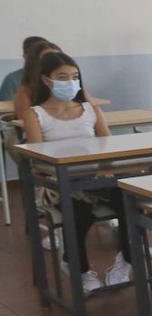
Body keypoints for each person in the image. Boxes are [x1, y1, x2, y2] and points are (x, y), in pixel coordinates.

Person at [20, 52, 132, 292]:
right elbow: (37, 161)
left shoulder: (90, 110)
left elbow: (108, 147)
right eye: (62, 77)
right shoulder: (35, 114)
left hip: (95, 179)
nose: (70, 82)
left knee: (129, 202)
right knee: (79, 214)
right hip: (58, 183)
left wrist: (106, 169)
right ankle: (79, 269)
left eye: (74, 76)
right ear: (47, 81)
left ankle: (126, 260)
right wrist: (58, 172)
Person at [11, 39, 62, 118]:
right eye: (47, 59)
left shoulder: (70, 87)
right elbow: (26, 124)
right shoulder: (25, 93)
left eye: (58, 58)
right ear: (35, 65)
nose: (54, 63)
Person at [0, 36, 49, 101]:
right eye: (35, 55)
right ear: (25, 56)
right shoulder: (12, 79)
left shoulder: (52, 77)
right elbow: (6, 108)